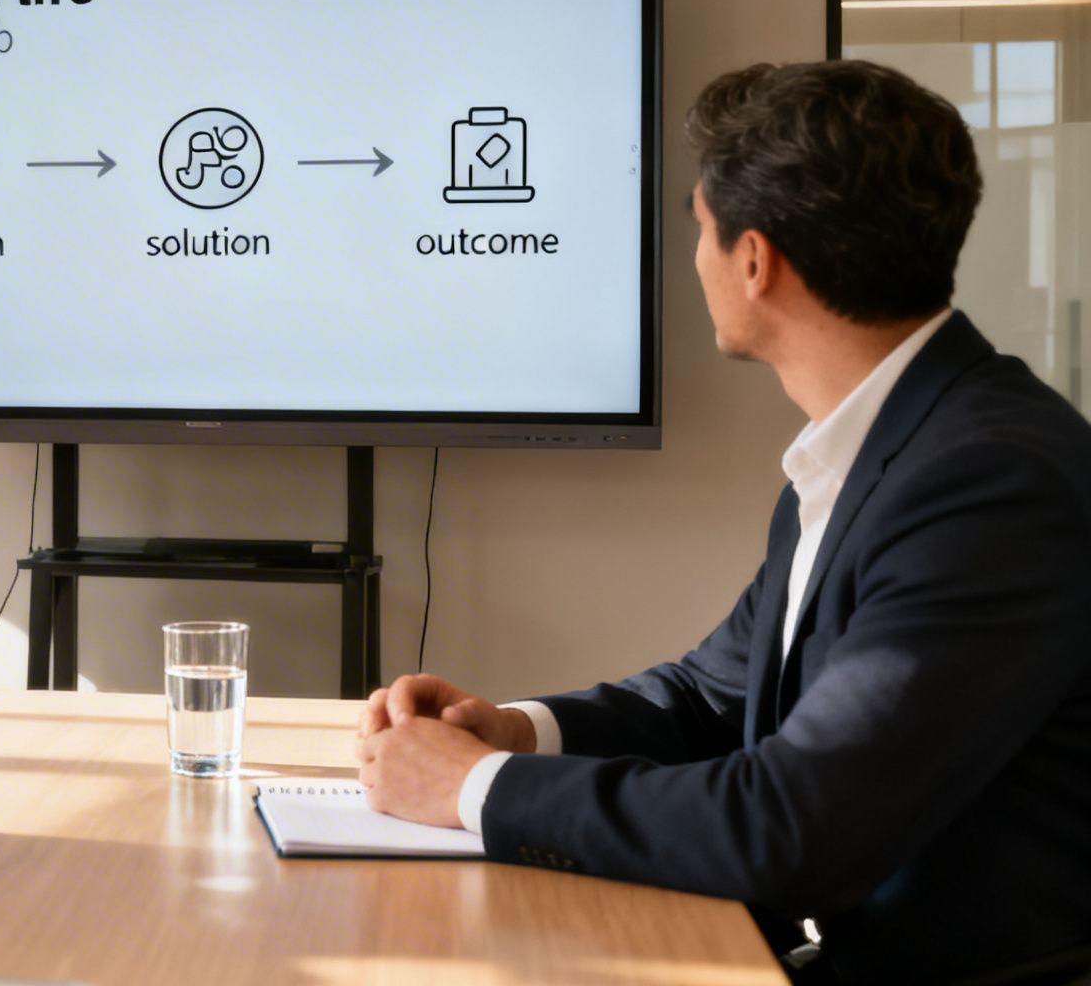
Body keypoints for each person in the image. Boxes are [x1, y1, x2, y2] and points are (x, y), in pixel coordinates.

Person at [355, 60, 1091, 985]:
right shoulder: (872, 447)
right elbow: (712, 696)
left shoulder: (990, 483)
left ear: (755, 261)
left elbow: (793, 829)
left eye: (699, 230)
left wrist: (467, 788)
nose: (694, 258)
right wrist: (513, 732)